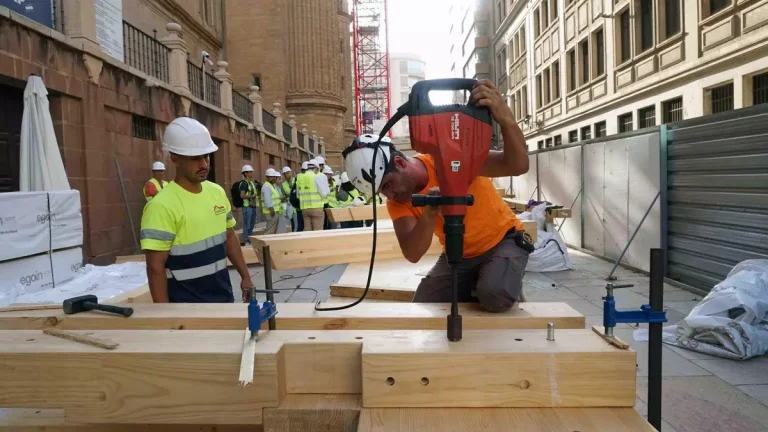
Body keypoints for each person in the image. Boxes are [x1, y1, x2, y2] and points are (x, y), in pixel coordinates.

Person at [342, 80, 532, 313]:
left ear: (400, 162)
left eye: (388, 184)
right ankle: (484, 280)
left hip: (503, 241)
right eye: (382, 191)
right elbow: (413, 254)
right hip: (458, 255)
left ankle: (499, 280)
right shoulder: (397, 202)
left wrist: (507, 121)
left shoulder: (452, 155)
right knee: (424, 306)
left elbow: (517, 165)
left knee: (494, 295)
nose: (390, 194)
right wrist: (429, 213)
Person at [140, 117, 253, 303]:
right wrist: (165, 315)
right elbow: (155, 267)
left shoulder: (216, 192)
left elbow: (229, 236)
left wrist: (245, 276)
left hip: (223, 296)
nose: (204, 164)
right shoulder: (161, 206)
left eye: (206, 156)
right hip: (186, 305)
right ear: (175, 159)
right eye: (195, 158)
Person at [297, 160, 324, 231]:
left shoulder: (300, 178)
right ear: (316, 168)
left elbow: (297, 195)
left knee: (308, 231)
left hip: (305, 208)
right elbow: (323, 194)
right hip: (317, 208)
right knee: (318, 231)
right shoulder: (317, 177)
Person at [239, 165, 257, 245]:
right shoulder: (244, 184)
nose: (252, 173)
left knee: (252, 225)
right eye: (250, 172)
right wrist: (251, 196)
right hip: (247, 207)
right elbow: (242, 195)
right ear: (245, 173)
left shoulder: (251, 183)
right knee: (247, 225)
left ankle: (250, 239)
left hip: (252, 206)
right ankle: (246, 240)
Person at [261, 169, 284, 235]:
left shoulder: (272, 186)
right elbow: (267, 200)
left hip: (274, 211)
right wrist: (272, 211)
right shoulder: (266, 186)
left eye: (274, 177)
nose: (273, 178)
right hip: (271, 212)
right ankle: (266, 241)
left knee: (273, 231)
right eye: (271, 177)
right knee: (270, 231)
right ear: (267, 177)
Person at [281, 166, 297, 232]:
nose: (286, 175)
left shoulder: (296, 181)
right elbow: (284, 196)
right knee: (292, 225)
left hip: (297, 207)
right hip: (290, 207)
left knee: (297, 225)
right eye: (284, 174)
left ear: (291, 172)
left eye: (287, 173)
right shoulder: (283, 185)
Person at [317, 165, 333, 230]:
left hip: (331, 204)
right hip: (323, 203)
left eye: (330, 174)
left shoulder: (333, 182)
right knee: (324, 221)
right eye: (327, 174)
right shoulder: (321, 181)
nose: (328, 176)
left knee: (329, 222)